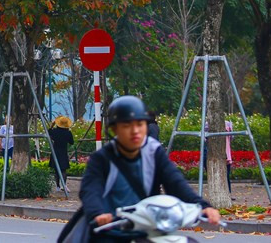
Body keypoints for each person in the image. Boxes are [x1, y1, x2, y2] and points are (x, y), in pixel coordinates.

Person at [60, 96, 220, 243]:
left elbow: (176, 183)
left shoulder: (154, 152)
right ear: (114, 129)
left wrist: (202, 206)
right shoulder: (102, 158)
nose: (135, 130)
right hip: (109, 230)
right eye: (127, 125)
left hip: (146, 229)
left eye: (140, 124)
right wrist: (97, 213)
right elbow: (91, 189)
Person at [49, 116, 74, 192]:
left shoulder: (54, 131)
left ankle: (57, 186)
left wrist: (52, 125)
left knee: (56, 170)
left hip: (55, 151)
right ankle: (64, 185)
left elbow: (49, 132)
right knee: (63, 170)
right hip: (63, 151)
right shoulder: (68, 133)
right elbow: (72, 142)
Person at [225, 120, 234, 195]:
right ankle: (228, 193)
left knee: (227, 175)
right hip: (226, 154)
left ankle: (228, 193)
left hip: (226, 154)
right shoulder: (208, 124)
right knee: (226, 175)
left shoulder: (228, 124)